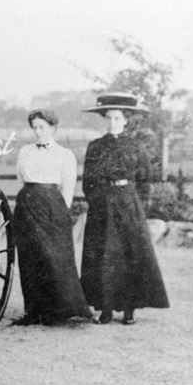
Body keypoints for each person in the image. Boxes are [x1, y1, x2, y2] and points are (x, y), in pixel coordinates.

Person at [80, 93, 169, 325]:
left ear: (126, 120)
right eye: (109, 118)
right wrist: (98, 200)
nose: (112, 122)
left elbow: (145, 180)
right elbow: (87, 181)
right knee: (103, 256)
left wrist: (136, 204)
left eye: (117, 118)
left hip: (129, 205)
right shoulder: (95, 147)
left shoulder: (136, 147)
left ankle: (129, 310)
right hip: (102, 206)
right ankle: (106, 310)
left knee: (130, 256)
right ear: (104, 119)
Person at [12, 109, 91, 326]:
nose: (38, 132)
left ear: (53, 128)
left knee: (54, 257)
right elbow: (21, 178)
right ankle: (34, 311)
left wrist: (58, 213)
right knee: (30, 257)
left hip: (52, 207)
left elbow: (68, 188)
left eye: (42, 127)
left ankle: (60, 310)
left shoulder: (64, 155)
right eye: (35, 127)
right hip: (27, 204)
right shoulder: (25, 152)